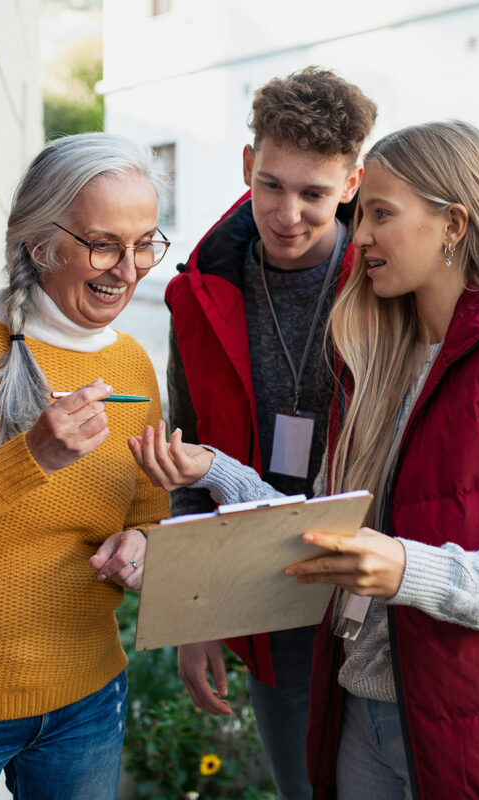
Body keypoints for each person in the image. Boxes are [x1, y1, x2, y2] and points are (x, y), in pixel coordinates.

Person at [131, 120, 479, 800]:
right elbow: (315, 524)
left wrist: (408, 568)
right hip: (355, 705)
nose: (362, 235)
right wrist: (213, 470)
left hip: (465, 722)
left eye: (380, 213)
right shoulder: (374, 360)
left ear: (454, 225)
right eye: (363, 214)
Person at [165, 66, 376, 798]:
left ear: (352, 182)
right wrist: (198, 614)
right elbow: (185, 462)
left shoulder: (390, 283)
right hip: (268, 590)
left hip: (383, 590)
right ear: (249, 166)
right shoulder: (199, 293)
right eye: (273, 186)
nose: (289, 213)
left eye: (314, 193)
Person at [0, 132, 171, 800]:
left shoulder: (132, 363)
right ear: (40, 242)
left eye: (146, 244)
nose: (128, 269)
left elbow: (148, 516)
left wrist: (140, 548)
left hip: (86, 701)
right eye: (104, 243)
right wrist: (30, 458)